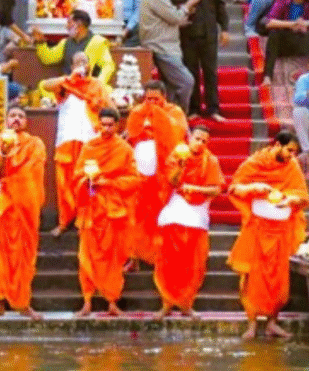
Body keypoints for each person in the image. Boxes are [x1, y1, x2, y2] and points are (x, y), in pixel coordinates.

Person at [227, 131, 309, 339]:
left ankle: (272, 323)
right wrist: (254, 187)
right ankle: (252, 324)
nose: (292, 155)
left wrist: (289, 200)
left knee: (277, 279)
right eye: (289, 150)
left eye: (295, 152)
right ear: (277, 145)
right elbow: (235, 188)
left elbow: (302, 195)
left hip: (281, 232)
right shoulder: (255, 162)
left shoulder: (292, 166)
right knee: (252, 278)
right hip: (257, 229)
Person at [73, 108, 140, 317]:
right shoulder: (89, 147)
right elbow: (77, 176)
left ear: (118, 126)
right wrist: (88, 180)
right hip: (91, 208)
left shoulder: (124, 149)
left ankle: (112, 301)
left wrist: (108, 182)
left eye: (111, 125)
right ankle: (87, 301)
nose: (106, 129)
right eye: (103, 125)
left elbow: (134, 179)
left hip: (113, 210)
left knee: (112, 258)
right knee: (86, 256)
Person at [153, 124, 224, 319]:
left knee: (193, 263)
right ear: (189, 138)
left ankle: (186, 304)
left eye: (204, 141)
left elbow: (216, 189)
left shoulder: (211, 161)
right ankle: (167, 304)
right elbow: (172, 181)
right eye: (197, 139)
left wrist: (195, 189)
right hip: (175, 210)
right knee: (168, 260)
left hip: (197, 214)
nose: (199, 143)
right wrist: (181, 166)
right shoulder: (178, 155)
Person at [0, 106, 46, 320]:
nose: (16, 119)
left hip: (24, 205)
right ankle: (0, 301)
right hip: (3, 205)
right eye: (12, 116)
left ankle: (23, 302)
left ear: (26, 122)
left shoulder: (35, 144)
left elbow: (33, 172)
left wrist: (15, 178)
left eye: (20, 116)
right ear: (6, 120)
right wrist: (3, 153)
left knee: (24, 254)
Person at [40, 52, 112, 236]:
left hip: (89, 140)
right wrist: (69, 78)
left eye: (84, 62)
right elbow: (45, 85)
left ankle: (84, 221)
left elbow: (110, 108)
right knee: (64, 182)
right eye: (77, 62)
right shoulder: (65, 85)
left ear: (89, 66)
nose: (81, 65)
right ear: (72, 66)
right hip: (66, 139)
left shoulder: (96, 85)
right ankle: (64, 221)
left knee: (88, 180)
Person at [125, 81, 188, 266]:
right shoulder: (137, 112)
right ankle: (135, 257)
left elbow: (177, 134)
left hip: (164, 174)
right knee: (137, 216)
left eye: (156, 99)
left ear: (164, 97)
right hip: (140, 174)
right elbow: (132, 135)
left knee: (162, 214)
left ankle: (160, 257)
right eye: (148, 99)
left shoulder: (174, 112)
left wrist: (157, 119)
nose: (152, 103)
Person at [140, 0, 206, 112]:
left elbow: (167, 19)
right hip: (162, 46)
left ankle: (169, 116)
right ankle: (179, 114)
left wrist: (180, 18)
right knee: (186, 81)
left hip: (166, 44)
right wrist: (188, 5)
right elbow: (175, 17)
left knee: (170, 86)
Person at [172, 0, 229, 121]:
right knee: (191, 74)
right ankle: (193, 109)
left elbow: (220, 8)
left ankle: (213, 109)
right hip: (187, 36)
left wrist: (225, 29)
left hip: (208, 35)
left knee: (210, 72)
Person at [33, 10, 115, 85]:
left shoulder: (97, 42)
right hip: (68, 85)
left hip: (87, 87)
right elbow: (48, 59)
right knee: (42, 85)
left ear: (79, 26)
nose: (67, 26)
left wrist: (98, 84)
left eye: (69, 23)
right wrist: (40, 42)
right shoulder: (65, 42)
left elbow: (108, 65)